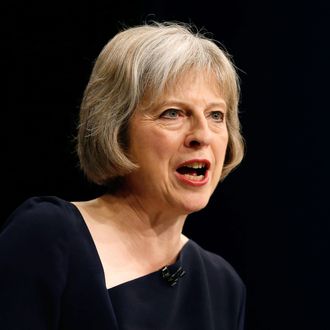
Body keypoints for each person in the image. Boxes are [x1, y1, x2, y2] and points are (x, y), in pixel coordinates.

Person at [0, 21, 245, 329]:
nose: (202, 135)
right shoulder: (47, 237)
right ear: (116, 129)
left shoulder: (223, 286)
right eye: (173, 113)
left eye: (216, 115)